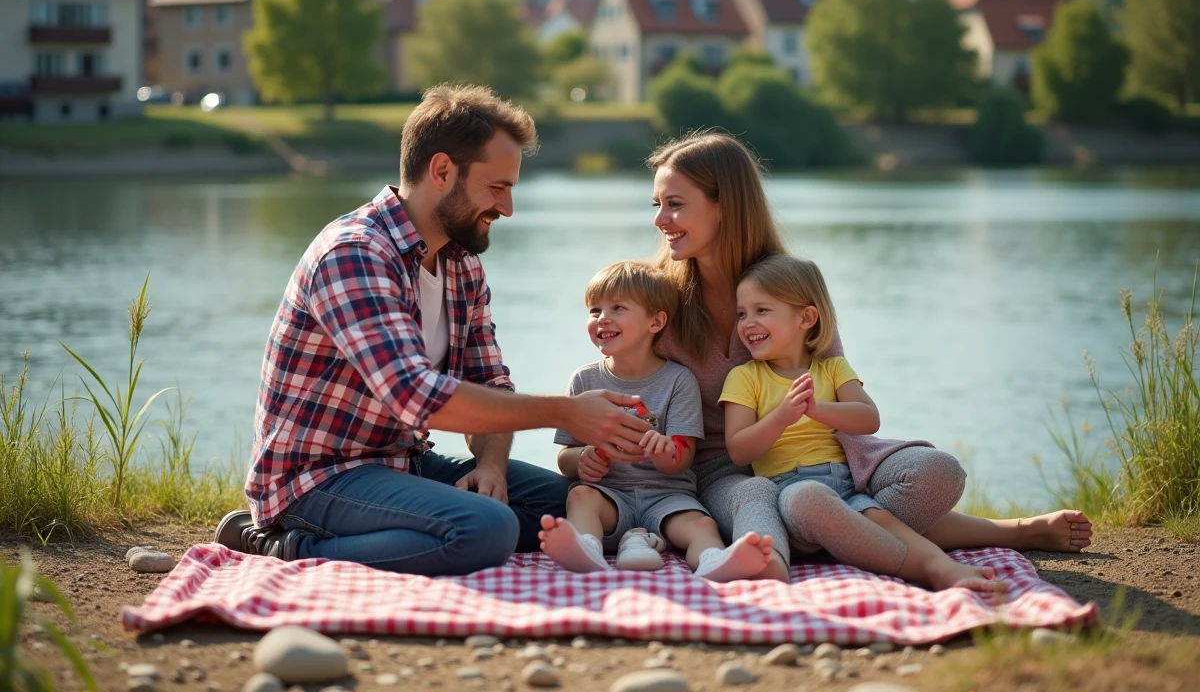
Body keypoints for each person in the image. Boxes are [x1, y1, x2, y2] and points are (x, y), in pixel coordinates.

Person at [213, 84, 652, 576]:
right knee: (486, 529)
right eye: (497, 188)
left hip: (404, 463)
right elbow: (415, 397)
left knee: (579, 503)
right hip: (317, 479)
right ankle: (281, 544)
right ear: (442, 171)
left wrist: (490, 467)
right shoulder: (355, 253)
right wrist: (566, 411)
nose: (507, 208)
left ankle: (412, 534)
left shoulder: (461, 264)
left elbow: (491, 384)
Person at [648, 131, 1094, 583]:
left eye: (675, 204)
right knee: (771, 499)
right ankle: (996, 533)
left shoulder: (787, 284)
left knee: (935, 473)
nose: (660, 219)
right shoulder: (657, 299)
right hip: (729, 475)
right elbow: (628, 382)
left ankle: (830, 530)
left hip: (829, 460)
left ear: (724, 204)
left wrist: (819, 420)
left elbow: (843, 393)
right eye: (657, 204)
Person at [722, 255, 1003, 590]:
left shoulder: (832, 368)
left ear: (806, 318)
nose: (747, 323)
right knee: (810, 496)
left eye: (761, 310)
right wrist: (781, 417)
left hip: (844, 487)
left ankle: (944, 567)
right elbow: (738, 450)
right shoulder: (744, 377)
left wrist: (817, 410)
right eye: (742, 314)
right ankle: (923, 570)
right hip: (788, 496)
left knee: (881, 520)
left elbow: (869, 419)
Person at [538, 261, 774, 581]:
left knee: (702, 524)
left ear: (656, 322)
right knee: (580, 497)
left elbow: (684, 456)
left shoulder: (678, 380)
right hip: (609, 496)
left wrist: (667, 453)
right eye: (594, 310)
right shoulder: (584, 380)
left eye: (618, 308)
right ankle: (586, 549)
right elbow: (565, 455)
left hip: (668, 496)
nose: (602, 318)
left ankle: (713, 561)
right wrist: (582, 459)